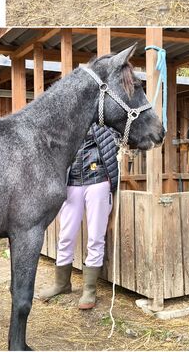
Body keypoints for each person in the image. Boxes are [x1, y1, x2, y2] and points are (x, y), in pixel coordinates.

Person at [38, 122, 120, 309]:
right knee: (65, 235)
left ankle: (89, 290)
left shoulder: (105, 119)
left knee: (95, 238)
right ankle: (62, 284)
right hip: (71, 182)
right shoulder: (66, 122)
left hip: (98, 181)